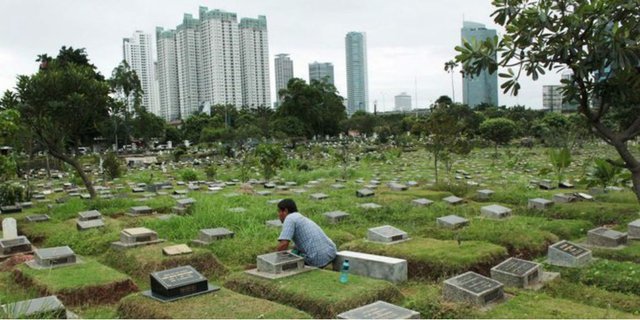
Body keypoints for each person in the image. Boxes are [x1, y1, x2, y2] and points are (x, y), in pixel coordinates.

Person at [276, 199, 337, 267]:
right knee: (294, 251)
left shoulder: (289, 218)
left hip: (316, 259)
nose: (278, 215)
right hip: (331, 252)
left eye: (279, 211)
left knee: (289, 263)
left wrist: (275, 260)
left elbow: (284, 244)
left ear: (285, 211)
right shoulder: (300, 217)